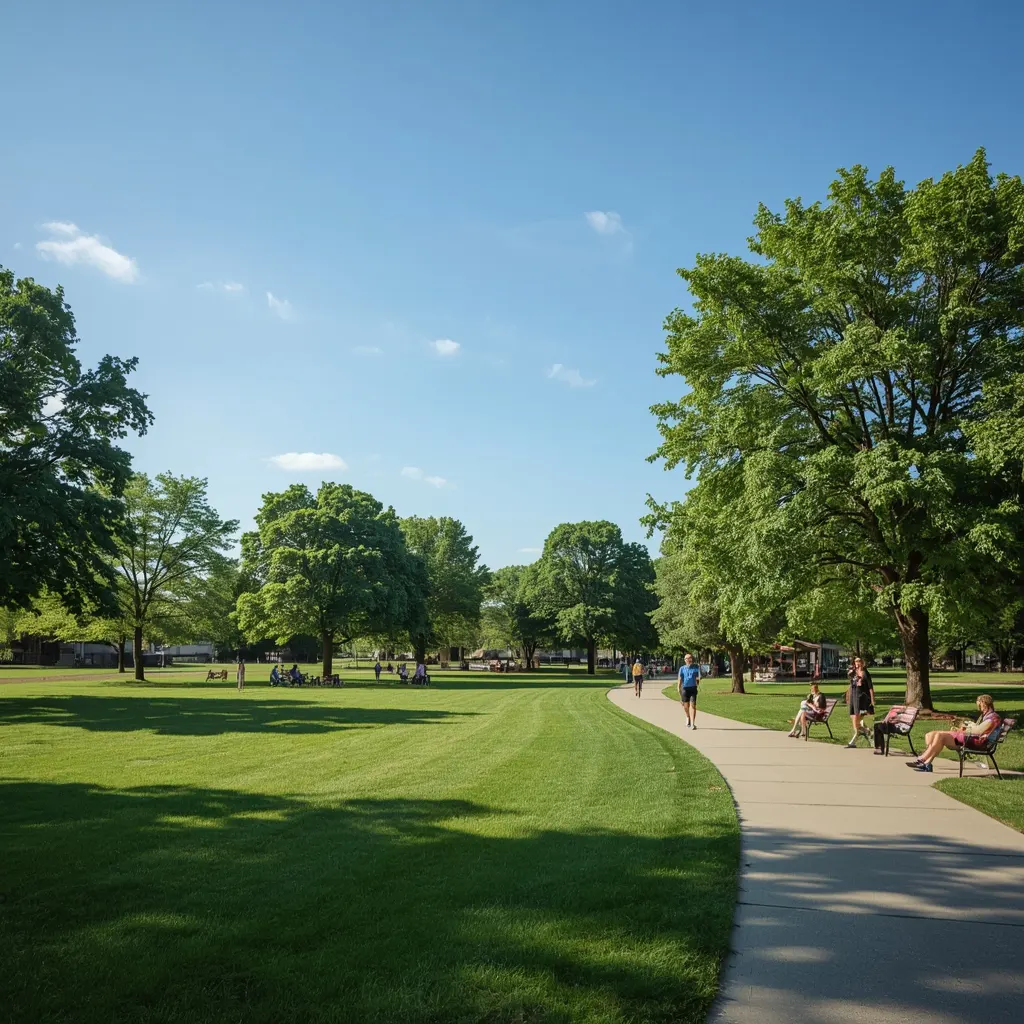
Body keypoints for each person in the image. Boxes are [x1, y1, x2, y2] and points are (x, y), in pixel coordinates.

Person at [907, 694, 1001, 773]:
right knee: (935, 734)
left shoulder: (993, 718)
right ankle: (926, 763)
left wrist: (968, 727)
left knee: (940, 736)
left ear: (984, 703)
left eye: (979, 705)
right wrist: (968, 727)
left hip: (976, 742)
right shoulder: (988, 716)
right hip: (973, 739)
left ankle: (923, 760)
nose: (979, 707)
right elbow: (978, 729)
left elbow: (978, 731)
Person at [845, 657, 875, 748]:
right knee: (854, 719)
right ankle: (867, 731)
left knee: (856, 720)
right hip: (853, 697)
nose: (857, 663)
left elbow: (870, 687)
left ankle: (853, 741)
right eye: (856, 661)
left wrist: (872, 700)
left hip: (861, 698)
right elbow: (851, 685)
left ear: (862, 663)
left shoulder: (865, 673)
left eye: (859, 661)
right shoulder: (853, 673)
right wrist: (848, 696)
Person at [678, 653, 701, 729]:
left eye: (690, 658)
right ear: (685, 660)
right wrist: (678, 687)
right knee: (685, 706)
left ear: (692, 659)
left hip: (693, 688)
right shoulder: (682, 668)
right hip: (684, 688)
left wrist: (698, 681)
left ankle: (693, 723)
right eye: (687, 658)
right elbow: (680, 678)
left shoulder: (695, 667)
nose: (688, 659)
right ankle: (688, 716)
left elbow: (698, 677)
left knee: (693, 705)